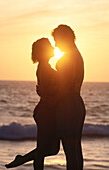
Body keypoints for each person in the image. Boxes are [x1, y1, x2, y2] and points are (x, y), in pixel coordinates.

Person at [5, 38, 60, 170]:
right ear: (43, 51)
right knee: (42, 150)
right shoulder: (44, 68)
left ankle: (22, 159)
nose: (53, 48)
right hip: (45, 111)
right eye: (50, 47)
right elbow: (47, 90)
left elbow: (46, 90)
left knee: (53, 149)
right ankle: (23, 160)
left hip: (48, 110)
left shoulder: (45, 67)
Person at [52, 24, 86, 170]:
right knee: (75, 148)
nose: (55, 45)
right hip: (75, 103)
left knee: (70, 149)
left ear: (64, 38)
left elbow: (64, 86)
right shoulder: (76, 54)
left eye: (57, 40)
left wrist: (50, 101)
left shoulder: (70, 56)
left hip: (68, 106)